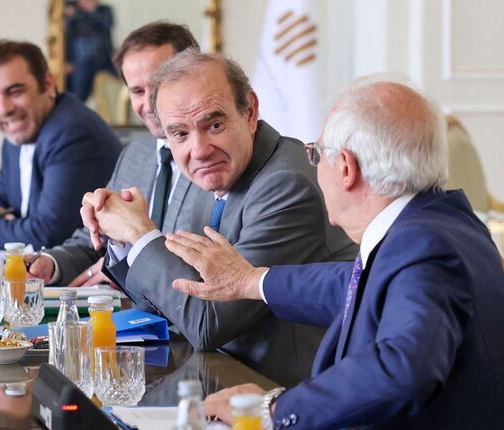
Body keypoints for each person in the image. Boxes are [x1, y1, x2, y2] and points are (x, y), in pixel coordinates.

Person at [169, 77, 504, 430]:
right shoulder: (437, 224)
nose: (314, 165)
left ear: (346, 168)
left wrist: (271, 408)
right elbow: (357, 284)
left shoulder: (424, 244)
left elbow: (403, 367)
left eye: (316, 153)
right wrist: (252, 281)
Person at [81, 50, 356, 386]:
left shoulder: (286, 185)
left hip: (286, 394)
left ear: (250, 111)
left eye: (214, 124)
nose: (199, 149)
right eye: (179, 134)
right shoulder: (212, 174)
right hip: (221, 380)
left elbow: (207, 322)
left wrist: (141, 234)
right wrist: (123, 238)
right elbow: (167, 305)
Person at [29, 22, 202, 287]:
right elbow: (94, 242)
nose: (148, 104)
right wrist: (50, 264)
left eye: (159, 87)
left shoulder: (213, 159)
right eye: (137, 91)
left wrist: (124, 266)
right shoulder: (135, 154)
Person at [0, 40, 121, 249]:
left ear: (48, 84)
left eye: (15, 92)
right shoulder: (16, 137)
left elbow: (46, 235)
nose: (4, 109)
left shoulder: (71, 131)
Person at [65, 0, 116, 101]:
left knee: (112, 91)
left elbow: (107, 23)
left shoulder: (104, 10)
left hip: (104, 59)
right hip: (81, 61)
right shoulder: (71, 11)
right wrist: (68, 60)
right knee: (78, 96)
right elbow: (66, 37)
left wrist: (90, 10)